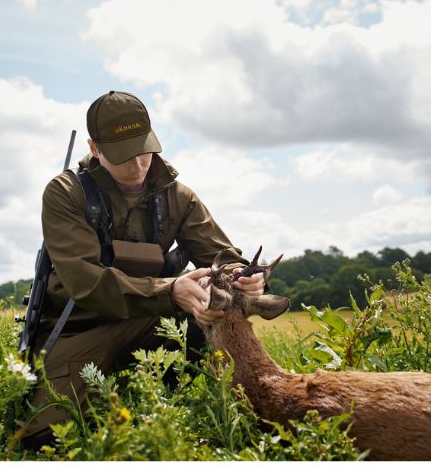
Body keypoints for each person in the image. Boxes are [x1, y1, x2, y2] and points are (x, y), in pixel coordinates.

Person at [21, 90, 264, 447]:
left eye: (144, 152)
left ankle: (182, 399)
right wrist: (170, 291)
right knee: (47, 439)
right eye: (123, 156)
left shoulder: (179, 196)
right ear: (94, 148)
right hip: (81, 328)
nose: (137, 167)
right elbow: (85, 282)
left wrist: (243, 277)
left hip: (151, 321)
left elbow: (222, 256)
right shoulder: (66, 193)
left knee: (215, 313)